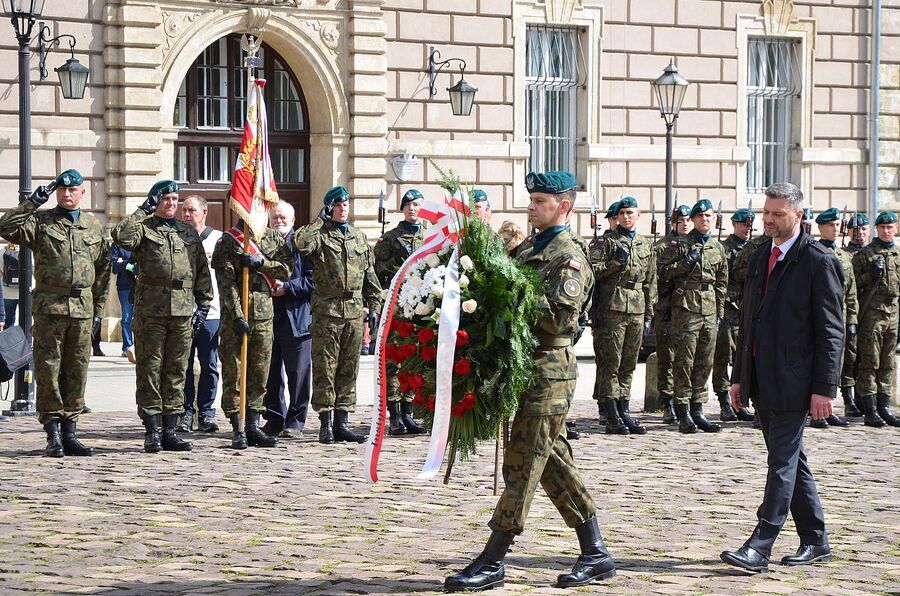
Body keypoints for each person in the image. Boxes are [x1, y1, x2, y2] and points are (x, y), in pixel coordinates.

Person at [445, 171, 614, 592]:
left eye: (541, 201)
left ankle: (492, 560)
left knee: (521, 465)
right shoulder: (528, 250)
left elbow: (559, 319)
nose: (531, 206)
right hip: (524, 369)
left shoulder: (569, 257)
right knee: (552, 461)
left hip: (549, 371)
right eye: (531, 199)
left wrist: (510, 293)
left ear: (564, 206)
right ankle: (596, 554)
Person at [722, 182, 843, 572]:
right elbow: (748, 323)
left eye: (777, 214)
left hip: (796, 380)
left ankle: (760, 545)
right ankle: (816, 539)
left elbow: (831, 331)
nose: (769, 220)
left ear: (798, 215)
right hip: (763, 377)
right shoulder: (761, 255)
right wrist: (740, 377)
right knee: (791, 460)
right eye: (766, 213)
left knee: (782, 463)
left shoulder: (818, 261)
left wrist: (824, 389)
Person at [0, 169, 110, 456]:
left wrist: (98, 311)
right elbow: (4, 227)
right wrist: (31, 203)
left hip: (82, 309)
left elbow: (103, 271)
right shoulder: (41, 222)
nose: (67, 193)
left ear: (83, 192)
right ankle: (53, 435)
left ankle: (70, 432)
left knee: (77, 370)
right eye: (62, 189)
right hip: (50, 308)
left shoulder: (93, 226)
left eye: (73, 189)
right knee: (48, 370)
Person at [112, 180, 213, 453]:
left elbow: (201, 270)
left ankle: (170, 430)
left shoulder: (187, 232)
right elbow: (121, 237)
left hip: (182, 313)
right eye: (165, 199)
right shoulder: (144, 229)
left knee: (176, 371)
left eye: (174, 199)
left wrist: (203, 306)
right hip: (151, 313)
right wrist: (142, 210)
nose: (171, 204)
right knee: (150, 371)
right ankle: (152, 431)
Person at [293, 186, 382, 444]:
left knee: (348, 368)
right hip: (327, 312)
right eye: (338, 205)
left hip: (353, 312)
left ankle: (342, 422)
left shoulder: (358, 237)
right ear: (329, 208)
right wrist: (319, 220)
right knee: (325, 368)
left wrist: (374, 306)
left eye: (346, 205)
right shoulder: (320, 235)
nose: (343, 209)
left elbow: (370, 276)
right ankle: (325, 423)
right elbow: (300, 243)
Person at [212, 216, 292, 449]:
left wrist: (262, 264)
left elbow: (287, 269)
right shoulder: (228, 240)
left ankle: (253, 425)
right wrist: (237, 315)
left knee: (260, 371)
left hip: (264, 315)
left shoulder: (273, 238)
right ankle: (238, 427)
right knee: (234, 372)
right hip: (236, 316)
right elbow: (226, 284)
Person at [588, 196, 655, 435]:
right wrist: (615, 263)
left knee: (629, 363)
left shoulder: (645, 244)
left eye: (630, 213)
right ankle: (611, 413)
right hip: (612, 309)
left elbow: (650, 281)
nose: (626, 217)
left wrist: (649, 314)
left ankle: (624, 409)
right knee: (611, 363)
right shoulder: (606, 242)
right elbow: (591, 271)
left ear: (638, 215)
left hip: (637, 308)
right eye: (622, 213)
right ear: (617, 217)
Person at [660, 199, 727, 434]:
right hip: (686, 308)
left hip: (709, 309)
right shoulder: (680, 244)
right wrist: (685, 263)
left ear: (714, 219)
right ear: (693, 220)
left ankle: (698, 409)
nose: (704, 220)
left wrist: (719, 312)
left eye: (708, 216)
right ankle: (683, 411)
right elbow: (663, 273)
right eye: (700, 216)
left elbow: (722, 282)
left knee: (705, 361)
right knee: (684, 361)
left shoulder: (717, 248)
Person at [374, 189, 427, 436]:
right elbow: (377, 269)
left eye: (416, 204)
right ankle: (394, 416)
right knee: (393, 360)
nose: (412, 209)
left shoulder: (430, 236)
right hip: (396, 305)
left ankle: (408, 412)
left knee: (414, 360)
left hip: (421, 307)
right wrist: (398, 266)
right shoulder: (391, 238)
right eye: (408, 205)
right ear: (403, 209)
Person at [263, 202, 315, 437]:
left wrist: (288, 287)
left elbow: (314, 280)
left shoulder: (303, 246)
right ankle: (274, 417)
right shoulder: (262, 244)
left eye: (283, 218)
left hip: (297, 318)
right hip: (266, 317)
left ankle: (295, 421)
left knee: (298, 373)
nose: (278, 221)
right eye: (274, 218)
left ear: (293, 221)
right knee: (270, 372)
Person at [177, 196, 222, 433]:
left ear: (204, 212)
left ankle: (206, 412)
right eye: (184, 210)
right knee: (183, 365)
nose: (186, 215)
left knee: (209, 365)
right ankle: (186, 412)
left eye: (192, 210)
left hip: (211, 313)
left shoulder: (218, 239)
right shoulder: (176, 237)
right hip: (183, 311)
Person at [851, 211, 900, 428]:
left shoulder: (898, 253)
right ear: (876, 229)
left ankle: (884, 407)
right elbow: (852, 284)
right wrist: (870, 275)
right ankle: (870, 410)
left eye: (890, 227)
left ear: (896, 228)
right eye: (882, 228)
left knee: (888, 361)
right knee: (870, 361)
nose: (886, 231)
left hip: (894, 311)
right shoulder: (865, 254)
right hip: (872, 312)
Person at [809, 208, 855, 429]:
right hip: (821, 316)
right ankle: (816, 412)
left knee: (837, 362)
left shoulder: (844, 256)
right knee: (820, 361)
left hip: (841, 317)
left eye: (837, 225)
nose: (835, 229)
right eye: (830, 225)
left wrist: (852, 320)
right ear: (820, 227)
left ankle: (829, 408)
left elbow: (851, 292)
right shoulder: (814, 253)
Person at [712, 208, 756, 423]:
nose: (747, 229)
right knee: (722, 356)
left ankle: (740, 402)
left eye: (749, 225)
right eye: (743, 224)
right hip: (728, 307)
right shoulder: (724, 248)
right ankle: (724, 402)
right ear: (734, 225)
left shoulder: (755, 248)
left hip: (747, 308)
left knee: (743, 358)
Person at [652, 205, 693, 425]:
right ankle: (667, 401)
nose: (685, 224)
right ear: (673, 223)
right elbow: (658, 274)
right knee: (666, 357)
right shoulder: (662, 247)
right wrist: (682, 265)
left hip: (688, 309)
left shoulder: (695, 244)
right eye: (680, 221)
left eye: (687, 220)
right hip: (667, 308)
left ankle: (684, 401)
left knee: (686, 358)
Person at [839, 213, 869, 416]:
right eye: (855, 230)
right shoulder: (843, 254)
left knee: (865, 357)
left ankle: (864, 397)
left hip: (869, 312)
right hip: (850, 310)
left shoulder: (873, 253)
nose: (859, 233)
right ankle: (848, 399)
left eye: (863, 229)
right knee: (849, 355)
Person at [110, 242, 136, 361]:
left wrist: (123, 262)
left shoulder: (139, 242)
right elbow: (115, 266)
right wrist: (129, 265)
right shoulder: (117, 245)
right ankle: (127, 346)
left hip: (142, 286)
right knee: (127, 317)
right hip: (124, 286)